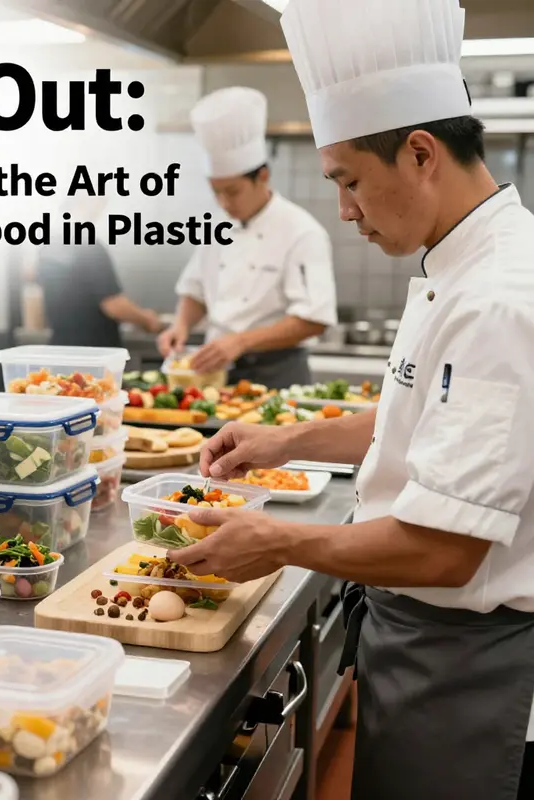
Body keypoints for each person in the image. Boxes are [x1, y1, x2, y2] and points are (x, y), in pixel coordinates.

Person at [167, 1, 534, 798]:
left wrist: (277, 541)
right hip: (427, 645)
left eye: (350, 181)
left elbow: (445, 550)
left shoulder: (500, 296)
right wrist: (286, 441)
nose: (346, 210)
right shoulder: (458, 262)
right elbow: (414, 422)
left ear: (420, 153)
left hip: (470, 662)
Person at [157, 86, 337, 388]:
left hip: (275, 375)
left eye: (232, 191)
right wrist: (181, 325)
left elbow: (313, 319)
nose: (225, 203)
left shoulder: (302, 231)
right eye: (216, 192)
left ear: (263, 176)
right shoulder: (217, 226)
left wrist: (240, 341)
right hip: (215, 373)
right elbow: (196, 290)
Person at [37, 196, 162, 348]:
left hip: (61, 346)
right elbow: (113, 305)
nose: (102, 206)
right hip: (92, 352)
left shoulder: (49, 246)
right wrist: (147, 319)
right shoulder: (88, 246)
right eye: (100, 199)